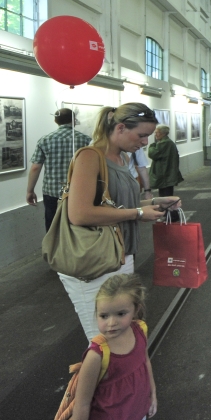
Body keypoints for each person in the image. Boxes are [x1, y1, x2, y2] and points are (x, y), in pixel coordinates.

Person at [64, 103, 180, 340]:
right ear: (119, 128)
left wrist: (155, 202)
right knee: (104, 340)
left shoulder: (121, 158)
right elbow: (79, 213)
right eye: (141, 135)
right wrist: (137, 213)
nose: (145, 142)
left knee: (122, 336)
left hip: (121, 255)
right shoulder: (90, 157)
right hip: (95, 261)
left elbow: (118, 205)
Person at [67, 274, 157, 420]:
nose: (111, 323)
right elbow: (82, 404)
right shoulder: (97, 355)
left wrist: (152, 393)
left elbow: (145, 362)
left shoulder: (140, 330)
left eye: (121, 314)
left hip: (136, 412)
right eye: (104, 316)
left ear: (136, 309)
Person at [27, 108, 92, 232]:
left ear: (55, 120)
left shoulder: (45, 140)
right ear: (73, 121)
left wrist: (30, 191)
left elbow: (35, 167)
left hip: (52, 192)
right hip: (79, 192)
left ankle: (54, 251)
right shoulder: (85, 140)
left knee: (53, 228)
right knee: (77, 229)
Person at [147, 125, 183, 197]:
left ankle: (166, 208)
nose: (155, 134)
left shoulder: (164, 143)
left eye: (157, 132)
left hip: (165, 175)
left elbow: (152, 154)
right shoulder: (168, 143)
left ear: (163, 133)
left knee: (165, 196)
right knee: (166, 194)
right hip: (167, 175)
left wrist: (152, 146)